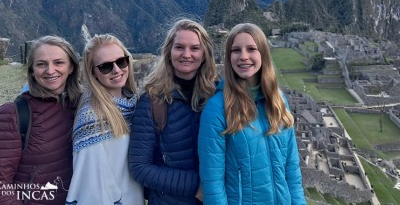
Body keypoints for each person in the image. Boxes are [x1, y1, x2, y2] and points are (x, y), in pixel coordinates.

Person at [198, 23, 307, 205]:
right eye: (236, 50)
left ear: (263, 54)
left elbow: (292, 171)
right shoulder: (217, 109)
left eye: (251, 49)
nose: (244, 57)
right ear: (228, 56)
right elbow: (213, 185)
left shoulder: (278, 101)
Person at [128, 19, 217, 204]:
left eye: (194, 48)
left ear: (204, 54)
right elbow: (139, 167)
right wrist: (197, 186)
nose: (187, 54)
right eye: (179, 47)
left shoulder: (215, 97)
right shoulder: (152, 101)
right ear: (169, 52)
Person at [0, 35, 82, 204]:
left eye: (58, 62)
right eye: (41, 64)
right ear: (32, 70)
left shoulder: (84, 107)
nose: (50, 70)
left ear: (71, 67)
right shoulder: (12, 115)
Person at [65, 34, 144, 204]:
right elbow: (93, 185)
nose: (117, 70)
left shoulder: (133, 103)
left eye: (121, 61)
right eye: (106, 67)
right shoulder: (92, 117)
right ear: (93, 72)